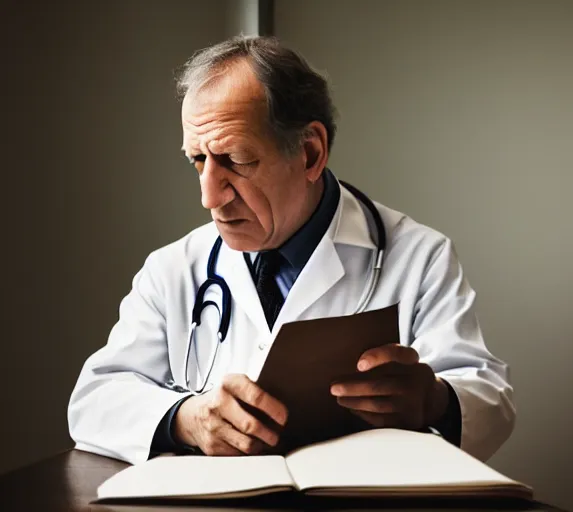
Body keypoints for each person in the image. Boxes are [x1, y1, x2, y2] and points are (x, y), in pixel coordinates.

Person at [67, 35, 515, 465]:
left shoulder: (419, 257)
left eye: (236, 161)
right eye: (198, 161)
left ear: (310, 153)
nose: (209, 197)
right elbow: (93, 402)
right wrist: (187, 418)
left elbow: (491, 400)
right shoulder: (173, 269)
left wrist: (436, 401)